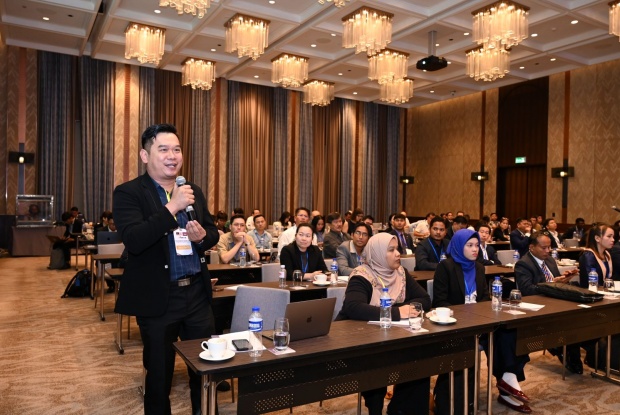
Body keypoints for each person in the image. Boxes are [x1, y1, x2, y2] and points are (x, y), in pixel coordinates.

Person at [112, 123, 220, 415]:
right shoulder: (128, 193)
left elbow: (212, 232)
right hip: (158, 298)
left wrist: (202, 238)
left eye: (177, 149)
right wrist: (173, 207)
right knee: (159, 376)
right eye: (163, 150)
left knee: (206, 369)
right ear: (145, 155)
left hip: (196, 294)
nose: (172, 156)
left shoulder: (192, 190)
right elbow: (134, 240)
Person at [433, 229, 531, 414]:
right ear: (458, 246)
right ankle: (506, 382)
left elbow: (484, 298)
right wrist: (466, 315)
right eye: (469, 245)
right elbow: (440, 302)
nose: (475, 249)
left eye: (477, 245)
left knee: (510, 331)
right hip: (457, 325)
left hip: (479, 322)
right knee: (494, 340)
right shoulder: (445, 267)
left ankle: (508, 378)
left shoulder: (478, 267)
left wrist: (485, 313)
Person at [336, 232, 431, 415]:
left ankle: (401, 409)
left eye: (398, 249)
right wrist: (397, 312)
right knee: (378, 362)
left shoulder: (400, 273)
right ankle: (376, 409)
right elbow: (353, 308)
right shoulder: (362, 275)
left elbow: (424, 299)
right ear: (378, 253)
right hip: (361, 338)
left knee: (420, 355)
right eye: (391, 250)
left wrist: (402, 309)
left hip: (392, 335)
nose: (398, 254)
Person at [514, 231, 581, 374]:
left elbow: (555, 281)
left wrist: (564, 280)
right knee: (567, 321)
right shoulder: (523, 264)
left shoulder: (550, 260)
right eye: (543, 248)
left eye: (549, 247)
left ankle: (566, 350)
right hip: (537, 305)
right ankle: (563, 350)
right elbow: (527, 290)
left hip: (555, 301)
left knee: (577, 317)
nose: (548, 251)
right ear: (532, 247)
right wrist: (551, 284)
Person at [578, 223, 614, 289]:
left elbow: (609, 278)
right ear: (597, 238)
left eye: (613, 237)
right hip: (590, 292)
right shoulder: (588, 256)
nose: (613, 240)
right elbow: (590, 283)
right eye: (609, 236)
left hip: (605, 290)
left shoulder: (607, 254)